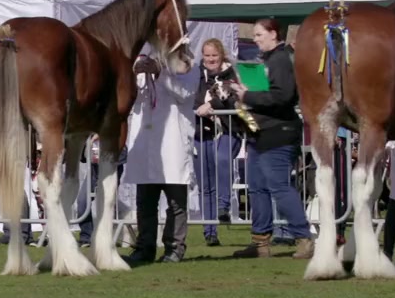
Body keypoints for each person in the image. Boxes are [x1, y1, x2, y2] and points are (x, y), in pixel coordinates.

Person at [229, 18, 313, 259]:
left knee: (279, 186)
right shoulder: (267, 60)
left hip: (279, 132)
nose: (255, 39)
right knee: (257, 188)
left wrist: (248, 96)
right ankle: (260, 242)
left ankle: (304, 238)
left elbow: (283, 95)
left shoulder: (281, 60)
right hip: (259, 132)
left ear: (273, 34)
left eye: (259, 34)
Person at [122, 53, 197, 264]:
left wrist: (161, 73)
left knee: (176, 203)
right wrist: (132, 75)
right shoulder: (142, 65)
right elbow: (131, 98)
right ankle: (144, 248)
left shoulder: (188, 65)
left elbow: (184, 93)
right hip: (145, 144)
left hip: (173, 144)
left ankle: (174, 247)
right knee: (145, 204)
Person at [193, 38, 240, 247]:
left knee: (222, 159)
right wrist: (201, 109)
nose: (210, 59)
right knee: (205, 185)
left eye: (214, 55)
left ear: (221, 55)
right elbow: (192, 100)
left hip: (229, 130)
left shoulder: (231, 74)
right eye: (207, 55)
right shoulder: (196, 75)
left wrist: (212, 104)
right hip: (202, 133)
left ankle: (223, 206)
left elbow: (232, 99)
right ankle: (209, 231)